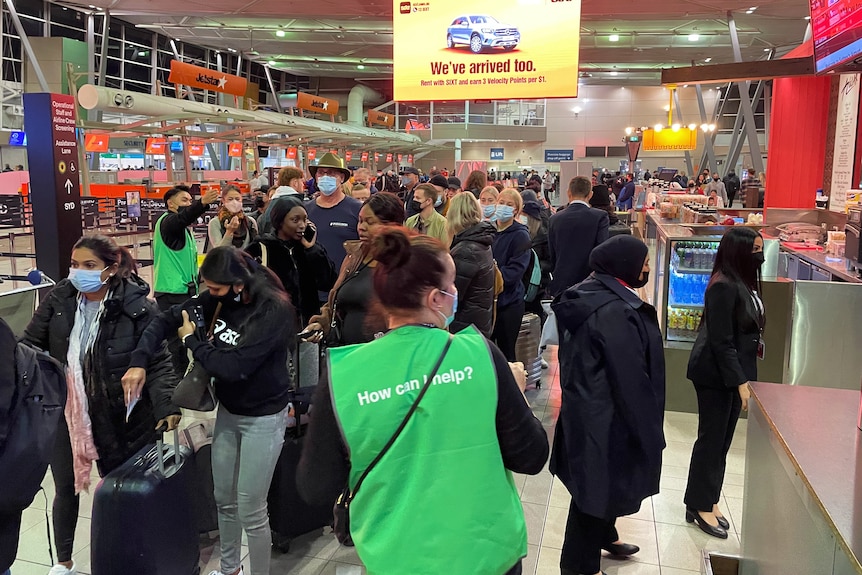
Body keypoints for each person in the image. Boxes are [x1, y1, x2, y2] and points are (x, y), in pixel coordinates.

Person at [296, 227, 549, 575]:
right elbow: (532, 456)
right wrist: (515, 393)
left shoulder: (343, 373)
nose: (457, 292)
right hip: (486, 551)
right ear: (435, 299)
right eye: (453, 284)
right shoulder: (480, 355)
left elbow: (316, 486)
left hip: (396, 556)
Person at [124, 246, 294, 575]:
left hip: (264, 418)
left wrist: (191, 341)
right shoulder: (216, 299)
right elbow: (163, 321)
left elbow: (233, 367)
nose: (208, 294)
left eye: (215, 288)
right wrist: (138, 362)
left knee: (251, 509)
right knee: (224, 500)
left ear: (238, 285)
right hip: (230, 412)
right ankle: (229, 568)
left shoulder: (273, 310)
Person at [24, 235, 180, 575]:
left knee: (116, 490)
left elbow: (159, 362)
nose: (79, 272)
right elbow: (29, 345)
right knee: (65, 488)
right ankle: (63, 562)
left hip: (121, 415)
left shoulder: (137, 305)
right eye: (75, 264)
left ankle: (125, 556)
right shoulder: (60, 299)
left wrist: (166, 405)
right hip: (68, 414)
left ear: (110, 269)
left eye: (89, 266)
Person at [552, 235, 665, 575]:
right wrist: (649, 432)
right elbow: (630, 379)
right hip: (607, 416)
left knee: (601, 484)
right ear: (623, 265)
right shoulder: (614, 311)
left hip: (590, 410)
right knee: (594, 493)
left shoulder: (594, 293)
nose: (647, 267)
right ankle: (578, 566)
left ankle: (606, 534)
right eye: (644, 262)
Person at [684, 227, 765, 539]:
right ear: (740, 252)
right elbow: (720, 341)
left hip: (730, 373)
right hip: (714, 375)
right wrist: (740, 382)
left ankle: (708, 499)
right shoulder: (723, 286)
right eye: (755, 249)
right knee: (711, 441)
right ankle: (699, 503)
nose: (760, 255)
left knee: (722, 443)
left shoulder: (743, 282)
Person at [246, 196, 337, 387]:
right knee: (277, 386)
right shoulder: (260, 248)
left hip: (307, 331)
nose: (302, 225)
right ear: (279, 221)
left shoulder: (309, 250)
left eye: (304, 219)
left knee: (308, 387)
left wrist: (313, 251)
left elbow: (328, 282)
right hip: (273, 332)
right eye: (295, 220)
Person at [303, 192, 405, 347]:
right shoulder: (355, 256)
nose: (361, 228)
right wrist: (322, 323)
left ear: (392, 226)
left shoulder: (407, 263)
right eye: (360, 221)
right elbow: (335, 301)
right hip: (345, 353)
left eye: (369, 222)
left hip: (386, 356)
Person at [153, 184, 220, 375]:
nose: (188, 204)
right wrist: (201, 204)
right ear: (170, 203)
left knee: (186, 340)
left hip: (184, 291)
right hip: (172, 293)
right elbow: (181, 219)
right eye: (184, 200)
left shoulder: (183, 231)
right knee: (178, 344)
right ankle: (177, 382)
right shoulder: (168, 223)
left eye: (190, 200)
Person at [305, 153, 361, 289]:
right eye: (321, 173)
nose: (325, 177)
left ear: (341, 178)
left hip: (345, 287)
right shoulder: (304, 210)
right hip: (311, 288)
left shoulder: (357, 209)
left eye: (330, 173)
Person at [548, 177, 610, 298]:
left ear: (568, 193)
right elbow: (601, 250)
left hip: (561, 282)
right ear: (590, 194)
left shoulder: (554, 219)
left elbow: (552, 253)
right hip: (589, 284)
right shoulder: (600, 217)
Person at [446, 193, 496, 336]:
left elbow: (452, 295)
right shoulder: (480, 242)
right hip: (478, 323)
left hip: (464, 326)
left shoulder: (466, 251)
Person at [491, 189, 531, 361]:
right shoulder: (488, 230)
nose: (504, 207)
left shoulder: (520, 235)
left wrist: (491, 277)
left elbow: (515, 271)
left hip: (509, 302)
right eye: (501, 202)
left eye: (509, 204)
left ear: (516, 210)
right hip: (489, 303)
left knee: (507, 352)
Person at [208, 184, 259, 250]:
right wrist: (229, 232)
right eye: (230, 199)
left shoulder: (250, 221)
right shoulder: (215, 223)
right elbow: (218, 251)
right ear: (223, 201)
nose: (234, 202)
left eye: (237, 199)